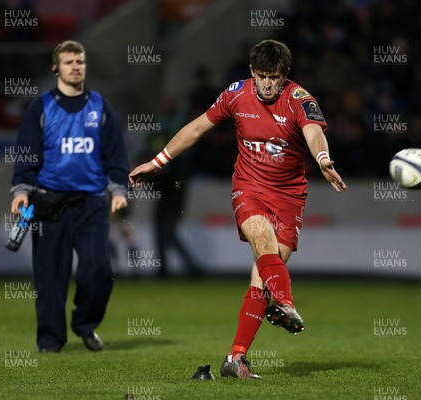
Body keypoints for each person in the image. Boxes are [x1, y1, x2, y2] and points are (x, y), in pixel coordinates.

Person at [129, 39, 347, 378]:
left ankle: (235, 359)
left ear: (285, 75)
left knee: (262, 277)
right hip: (249, 189)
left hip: (289, 198)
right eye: (262, 76)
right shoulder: (235, 95)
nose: (268, 84)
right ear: (252, 72)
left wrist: (322, 158)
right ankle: (286, 303)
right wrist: (158, 161)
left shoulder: (300, 99)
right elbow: (198, 127)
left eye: (274, 77)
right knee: (263, 242)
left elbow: (313, 132)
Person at [10, 40, 130, 352]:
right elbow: (26, 155)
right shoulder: (41, 108)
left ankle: (85, 325)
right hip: (49, 204)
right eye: (68, 62)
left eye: (80, 61)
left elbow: (116, 155)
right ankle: (50, 339)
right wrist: (21, 191)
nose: (76, 66)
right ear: (56, 68)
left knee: (99, 270)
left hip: (91, 204)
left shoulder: (101, 107)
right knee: (50, 277)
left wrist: (118, 190)